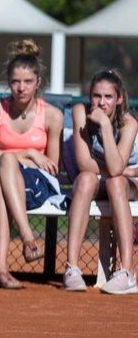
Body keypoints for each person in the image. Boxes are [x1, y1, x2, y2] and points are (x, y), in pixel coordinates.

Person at [0, 40, 65, 289]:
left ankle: (1, 269)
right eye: (15, 81)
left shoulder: (53, 115)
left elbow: (52, 166)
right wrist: (31, 152)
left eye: (27, 82)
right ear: (8, 81)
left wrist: (11, 155)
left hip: (35, 184)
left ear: (38, 83)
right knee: (0, 169)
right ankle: (27, 238)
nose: (21, 88)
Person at [63, 69, 138, 294]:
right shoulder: (80, 112)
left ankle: (127, 272)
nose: (102, 102)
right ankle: (72, 269)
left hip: (126, 186)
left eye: (108, 97)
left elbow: (115, 171)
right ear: (89, 96)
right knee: (86, 179)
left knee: (115, 183)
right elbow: (85, 163)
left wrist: (105, 126)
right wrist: (124, 170)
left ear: (119, 98)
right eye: (97, 96)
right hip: (97, 180)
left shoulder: (129, 122)